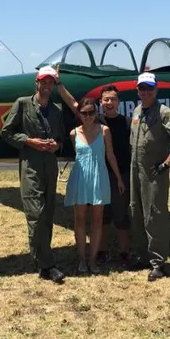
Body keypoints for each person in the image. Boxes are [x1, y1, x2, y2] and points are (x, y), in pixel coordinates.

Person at [1, 65, 68, 284]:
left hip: (50, 166)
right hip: (31, 166)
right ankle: (47, 264)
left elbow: (61, 139)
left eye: (50, 82)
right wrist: (29, 141)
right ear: (36, 83)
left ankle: (40, 259)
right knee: (36, 215)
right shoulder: (22, 104)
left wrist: (54, 145)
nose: (47, 86)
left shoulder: (57, 111)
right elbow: (6, 132)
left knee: (47, 215)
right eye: (43, 82)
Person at [129, 72, 170, 282]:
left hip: (154, 173)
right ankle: (143, 256)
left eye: (149, 88)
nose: (145, 92)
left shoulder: (163, 112)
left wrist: (167, 162)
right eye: (141, 88)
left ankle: (158, 264)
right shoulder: (138, 111)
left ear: (156, 90)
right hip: (135, 170)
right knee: (136, 212)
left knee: (155, 215)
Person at [63, 97, 125, 275]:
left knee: (98, 221)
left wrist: (119, 178)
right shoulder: (73, 133)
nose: (88, 116)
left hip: (99, 177)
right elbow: (79, 157)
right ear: (79, 114)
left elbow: (111, 155)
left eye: (92, 112)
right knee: (80, 220)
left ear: (96, 112)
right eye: (84, 113)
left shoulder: (104, 130)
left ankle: (93, 260)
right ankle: (82, 259)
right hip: (80, 178)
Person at [94, 85, 133, 268]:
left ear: (118, 102)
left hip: (121, 177)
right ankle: (102, 251)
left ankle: (124, 252)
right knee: (103, 216)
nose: (109, 103)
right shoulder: (94, 121)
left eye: (113, 99)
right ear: (100, 102)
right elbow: (74, 105)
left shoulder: (127, 122)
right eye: (106, 99)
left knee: (121, 214)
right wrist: (59, 85)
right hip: (101, 176)